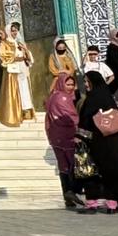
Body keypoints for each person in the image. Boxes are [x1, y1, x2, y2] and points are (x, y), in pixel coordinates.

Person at [80, 68, 118, 213]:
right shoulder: (107, 97)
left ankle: (110, 202)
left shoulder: (92, 99)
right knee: (115, 170)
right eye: (85, 81)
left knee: (103, 171)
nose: (86, 84)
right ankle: (117, 202)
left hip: (99, 141)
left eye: (88, 82)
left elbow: (85, 122)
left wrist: (80, 137)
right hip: (113, 140)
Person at [44, 71, 82, 208]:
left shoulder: (53, 96)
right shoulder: (63, 99)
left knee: (63, 166)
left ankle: (67, 195)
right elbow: (70, 116)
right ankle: (71, 191)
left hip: (56, 137)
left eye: (73, 84)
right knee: (72, 164)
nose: (71, 87)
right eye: (68, 84)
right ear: (61, 83)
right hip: (66, 136)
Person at [0, 27, 25, 126]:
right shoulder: (2, 44)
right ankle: (11, 115)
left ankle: (20, 114)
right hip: (10, 71)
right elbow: (2, 56)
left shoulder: (12, 42)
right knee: (11, 91)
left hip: (19, 69)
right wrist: (15, 57)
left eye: (1, 33)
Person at [8, 22, 36, 119]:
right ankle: (17, 112)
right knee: (17, 90)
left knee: (25, 90)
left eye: (16, 31)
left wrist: (25, 49)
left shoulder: (21, 43)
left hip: (23, 70)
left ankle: (27, 112)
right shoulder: (7, 44)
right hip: (14, 71)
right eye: (12, 31)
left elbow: (29, 59)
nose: (14, 33)